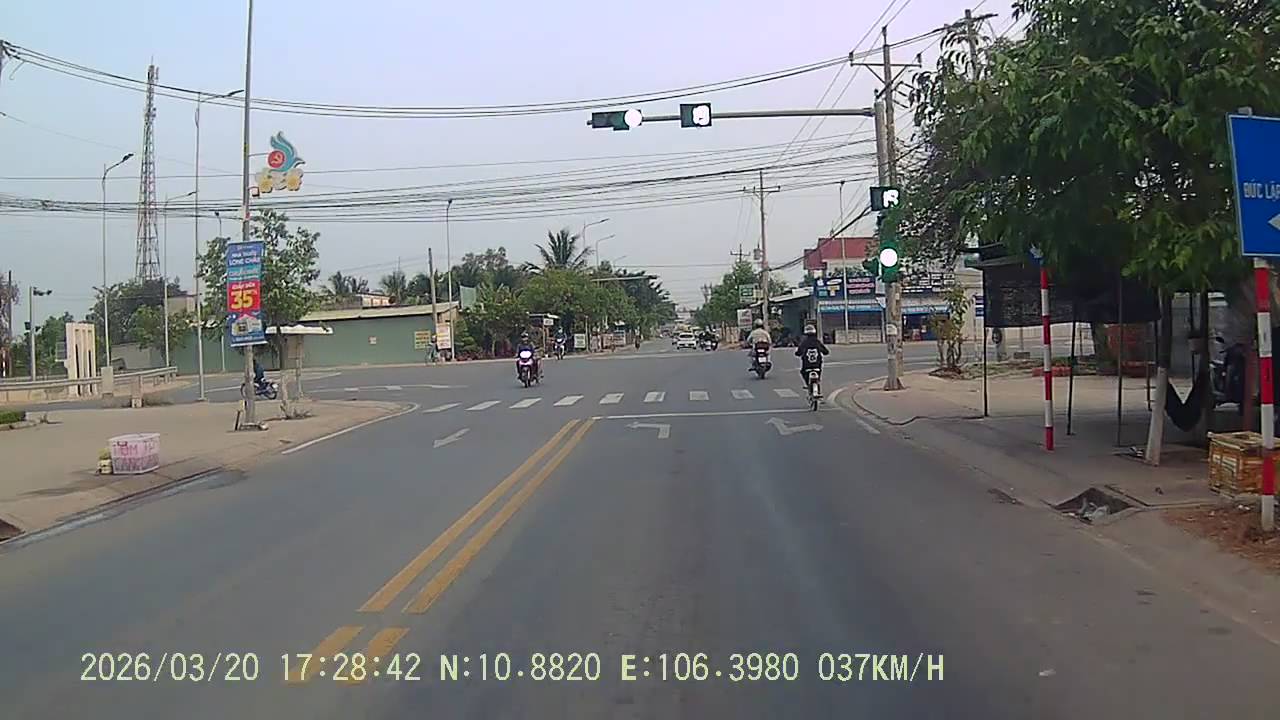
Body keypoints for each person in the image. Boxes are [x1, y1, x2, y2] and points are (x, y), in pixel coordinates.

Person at [794, 323, 829, 389]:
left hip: (807, 365)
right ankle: (818, 381)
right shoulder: (817, 342)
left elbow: (798, 352)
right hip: (817, 365)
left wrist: (797, 353)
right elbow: (826, 352)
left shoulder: (804, 343)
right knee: (819, 371)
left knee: (803, 372)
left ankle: (808, 385)